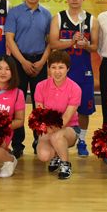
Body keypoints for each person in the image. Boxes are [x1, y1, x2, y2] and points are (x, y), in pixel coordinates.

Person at [48, 0, 98, 157]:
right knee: (59, 107)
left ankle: (82, 140)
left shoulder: (91, 20)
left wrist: (86, 45)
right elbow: (53, 43)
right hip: (62, 72)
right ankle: (56, 137)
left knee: (84, 109)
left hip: (83, 70)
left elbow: (95, 47)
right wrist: (72, 42)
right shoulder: (58, 18)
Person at [5, 0, 52, 158]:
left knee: (39, 105)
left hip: (39, 61)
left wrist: (42, 62)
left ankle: (39, 140)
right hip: (18, 61)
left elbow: (50, 42)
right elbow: (10, 39)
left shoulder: (46, 14)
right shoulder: (14, 12)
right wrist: (23, 62)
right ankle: (17, 144)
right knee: (17, 104)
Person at [34, 50, 82, 179]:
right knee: (44, 155)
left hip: (69, 129)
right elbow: (40, 113)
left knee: (56, 137)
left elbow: (65, 119)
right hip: (47, 127)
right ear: (49, 68)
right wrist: (46, 130)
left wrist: (51, 132)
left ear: (68, 68)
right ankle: (56, 155)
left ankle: (65, 164)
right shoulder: (40, 86)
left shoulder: (75, 89)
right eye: (53, 67)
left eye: (61, 67)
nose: (57, 71)